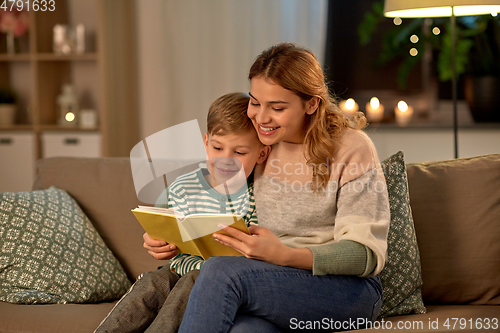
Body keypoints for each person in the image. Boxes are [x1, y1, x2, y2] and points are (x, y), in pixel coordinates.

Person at [146, 43, 390, 333]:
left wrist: (284, 255)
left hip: (346, 290)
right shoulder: (261, 145)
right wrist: (164, 234)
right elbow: (208, 189)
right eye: (255, 102)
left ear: (311, 103)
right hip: (269, 281)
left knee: (220, 272)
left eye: (277, 107)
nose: (261, 118)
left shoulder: (352, 148)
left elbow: (365, 254)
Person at [95, 92, 270, 333]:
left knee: (190, 284)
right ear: (206, 142)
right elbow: (165, 229)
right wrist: (156, 242)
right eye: (218, 147)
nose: (226, 160)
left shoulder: (259, 195)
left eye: (240, 153)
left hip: (220, 280)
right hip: (178, 268)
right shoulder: (182, 188)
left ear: (262, 153)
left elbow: (261, 248)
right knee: (151, 284)